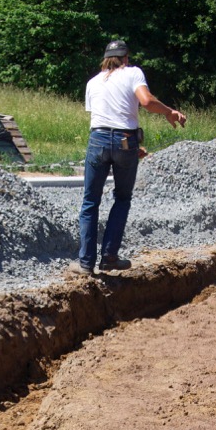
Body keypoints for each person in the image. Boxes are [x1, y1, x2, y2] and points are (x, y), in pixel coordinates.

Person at [73, 39, 187, 275]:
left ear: (106, 59)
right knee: (122, 198)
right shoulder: (133, 73)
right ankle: (109, 257)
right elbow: (145, 101)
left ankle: (85, 263)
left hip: (98, 140)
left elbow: (105, 118)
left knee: (90, 201)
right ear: (125, 58)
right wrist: (169, 112)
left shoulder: (92, 82)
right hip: (125, 139)